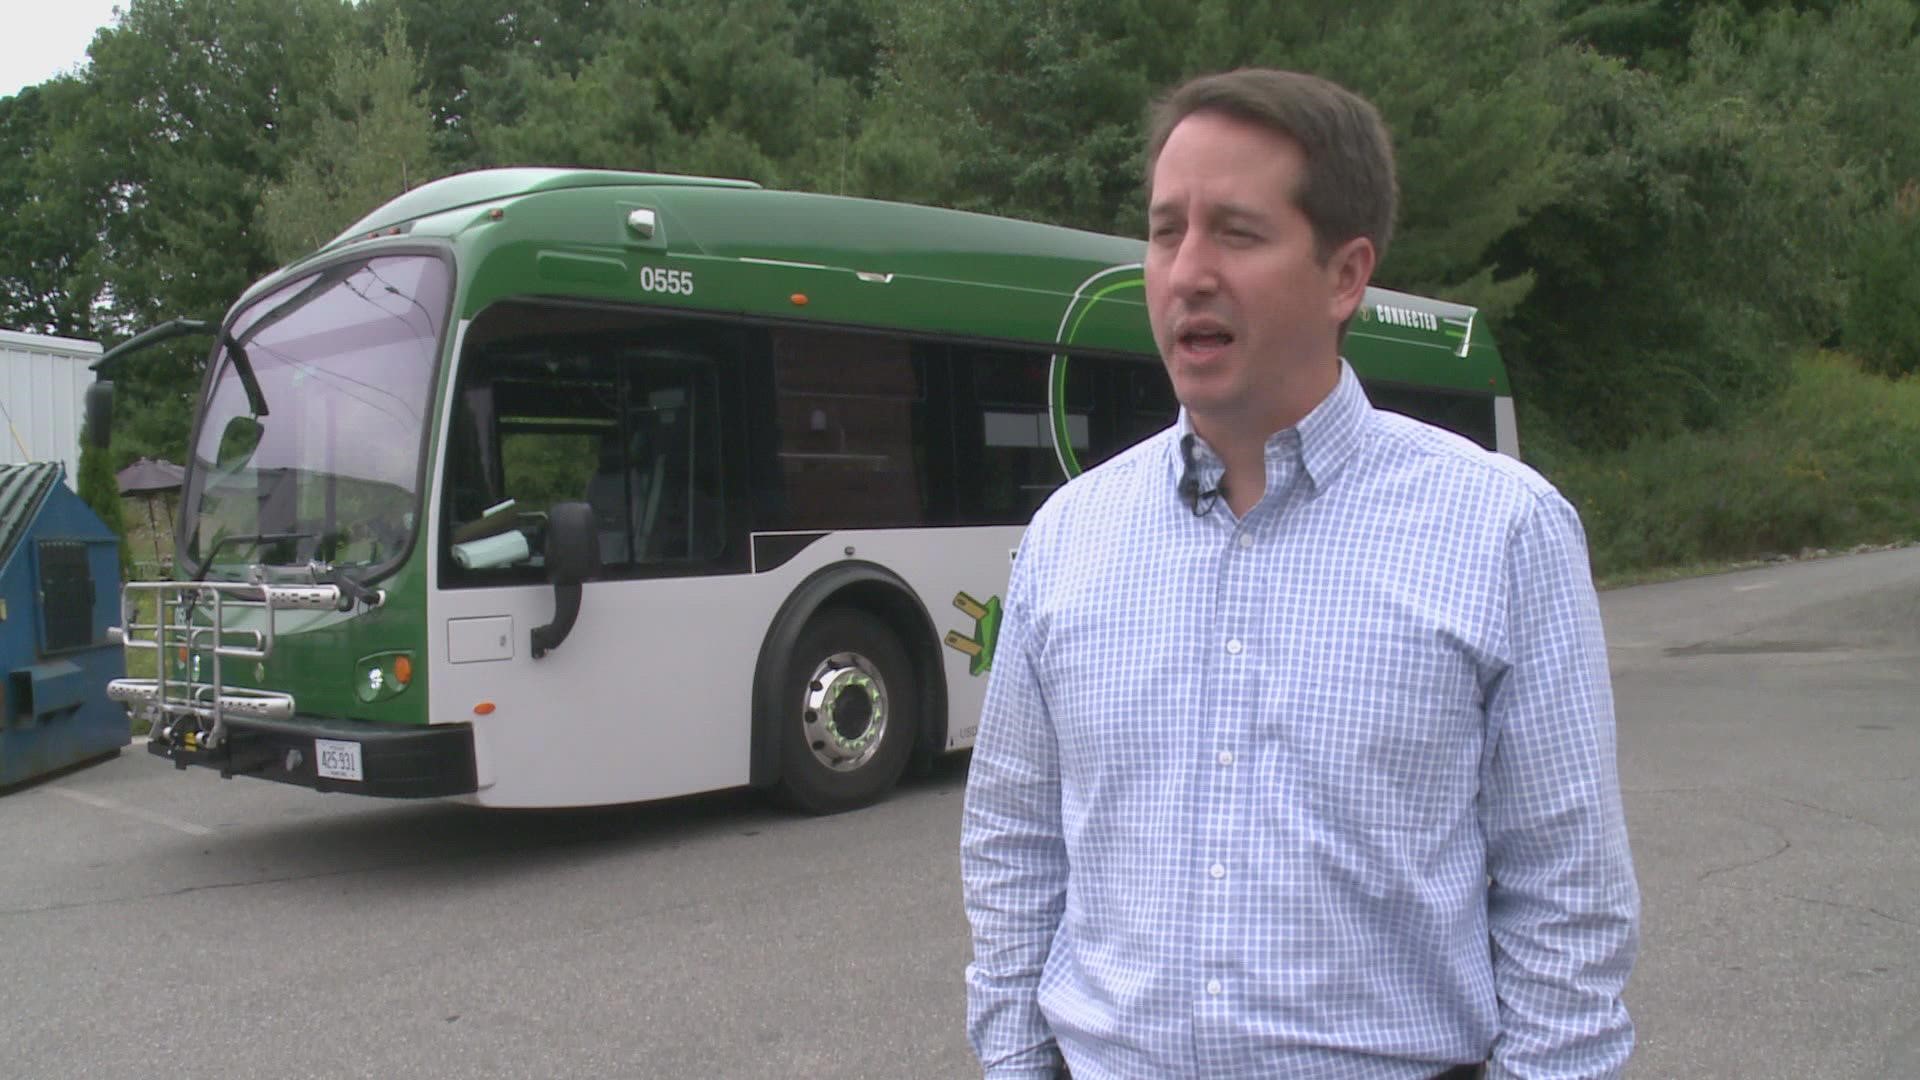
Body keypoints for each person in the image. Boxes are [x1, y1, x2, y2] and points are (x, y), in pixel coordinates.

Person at [961, 68, 1639, 1080]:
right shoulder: (1069, 535)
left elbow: (1567, 899)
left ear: (1345, 273)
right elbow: (1014, 842)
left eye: (1235, 232)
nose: (1188, 271)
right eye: (1164, 231)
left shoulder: (1503, 530)